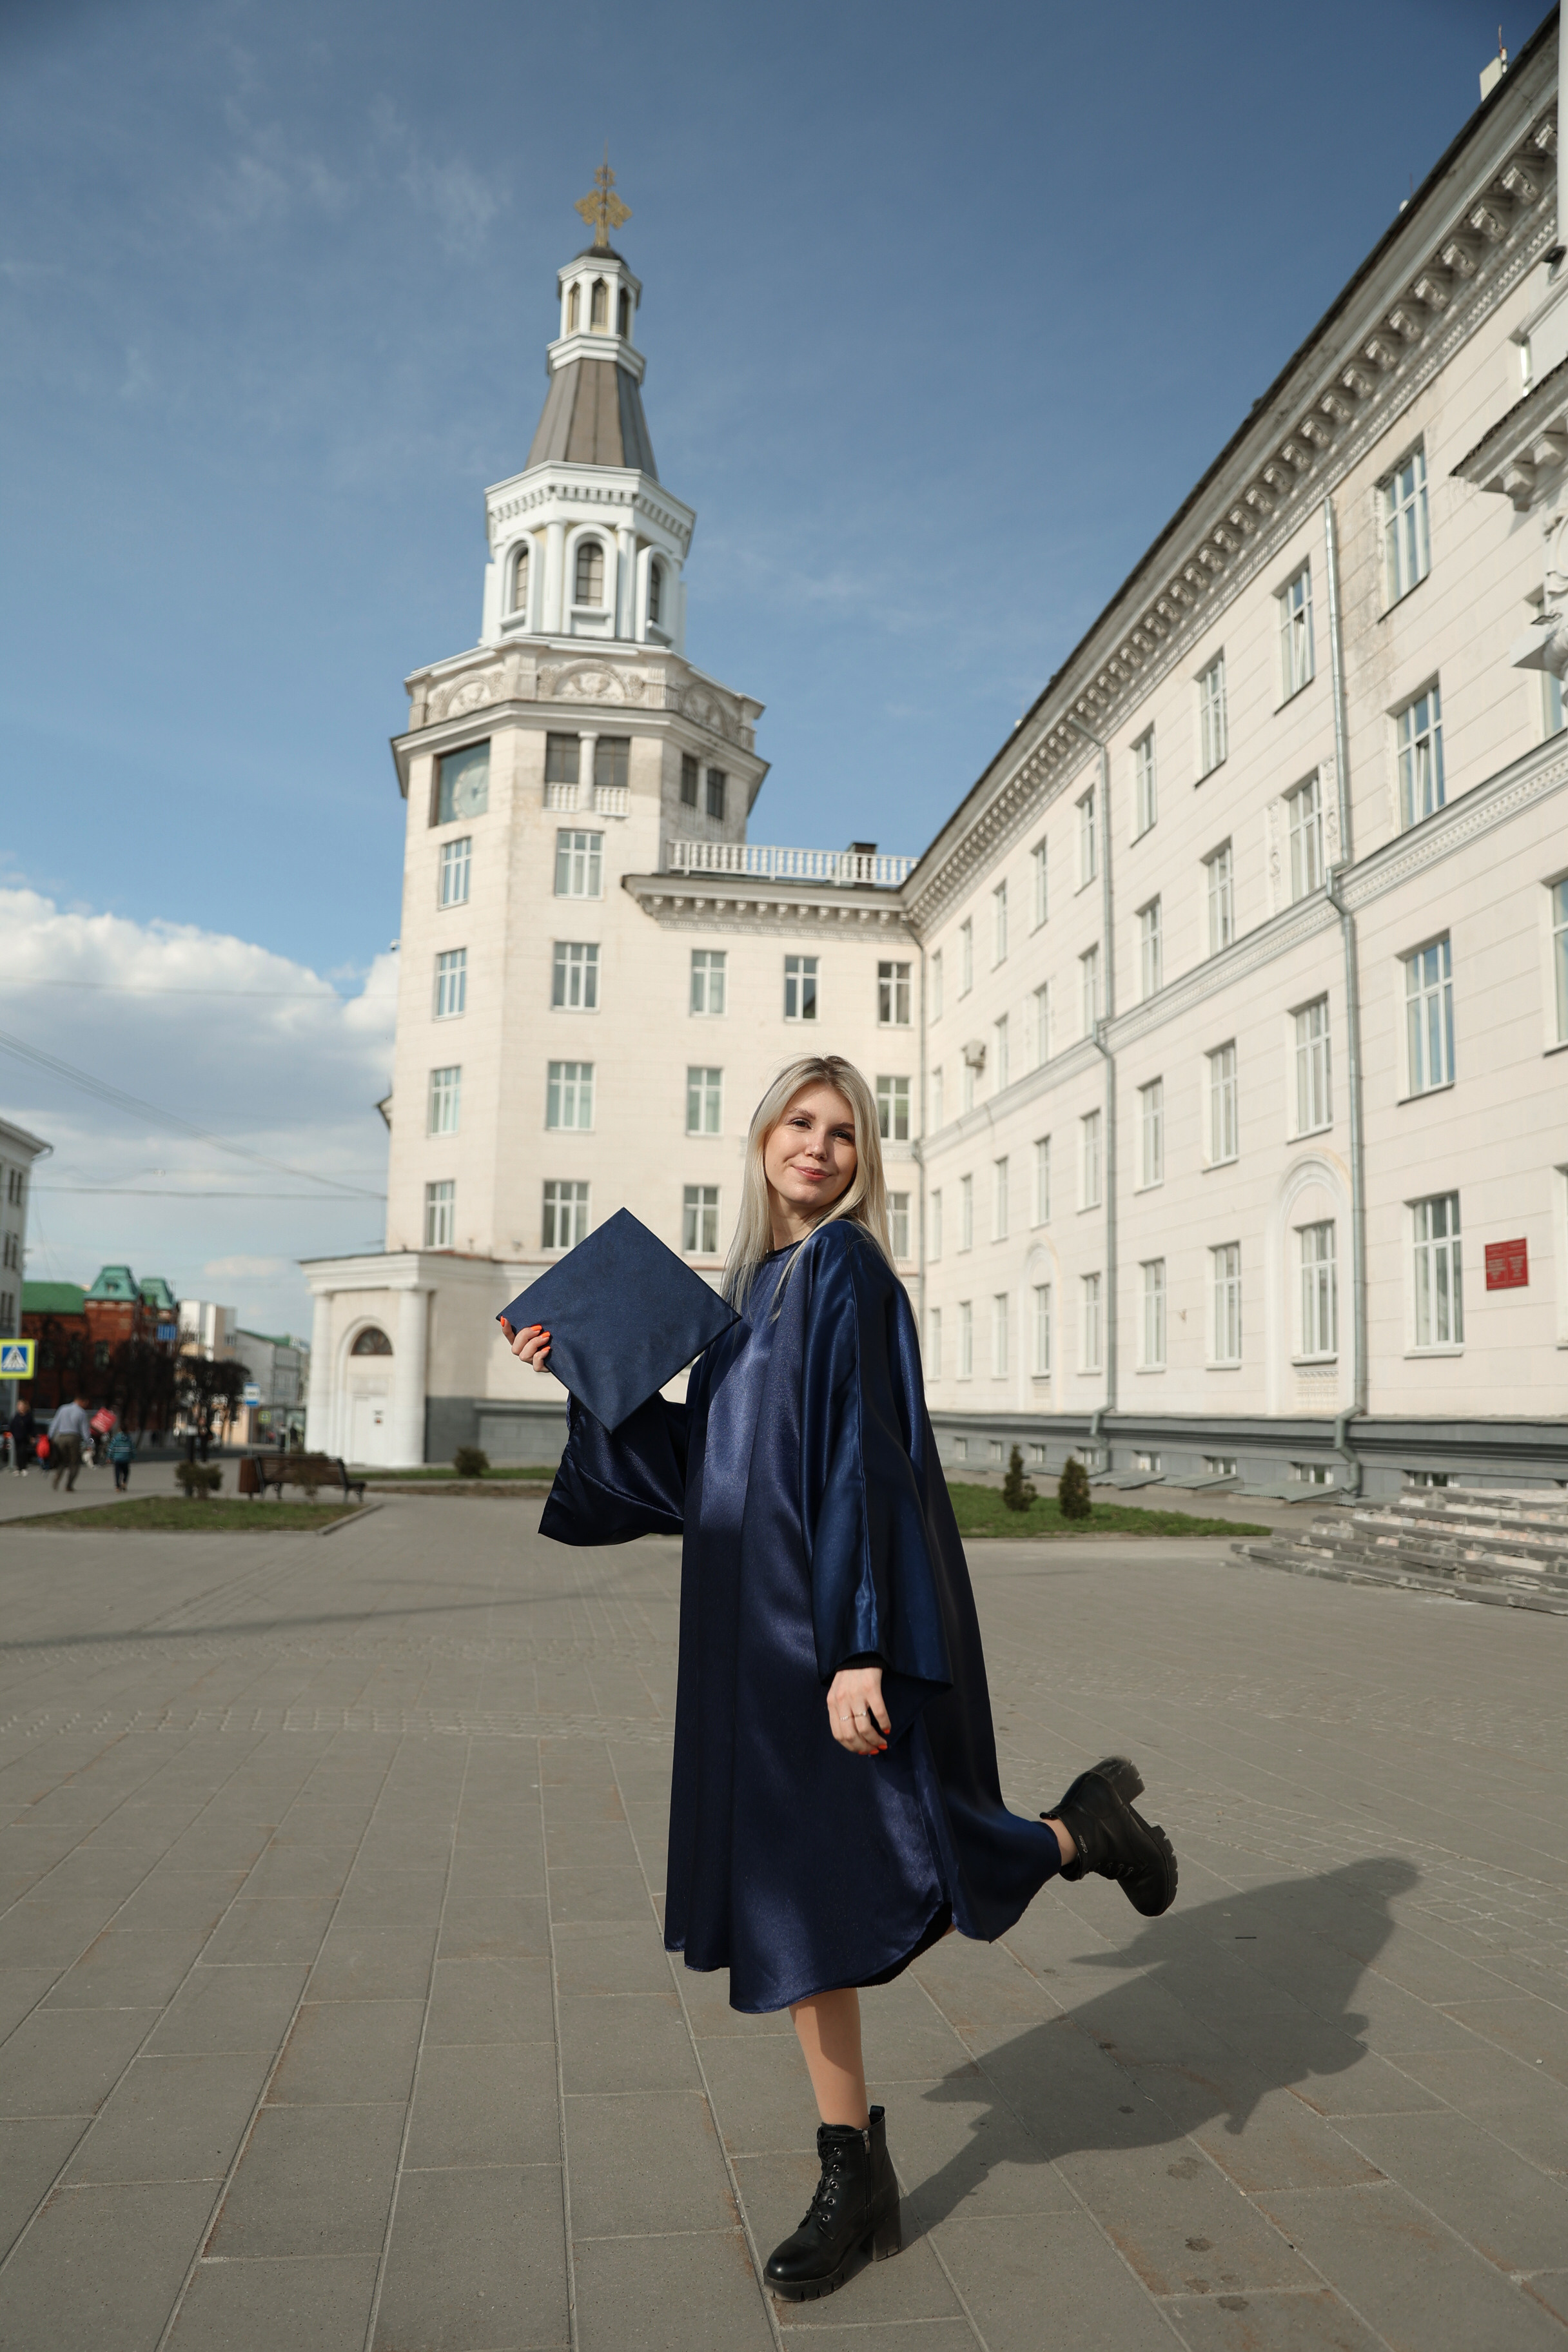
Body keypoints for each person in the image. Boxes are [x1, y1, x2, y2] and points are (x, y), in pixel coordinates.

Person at [507, 1054, 1178, 2304]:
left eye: (844, 1133)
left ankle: (1079, 1836)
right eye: (800, 1125)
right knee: (797, 1897)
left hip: (822, 1639)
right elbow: (695, 1473)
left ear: (863, 1160)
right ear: (762, 1138)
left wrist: (857, 1643)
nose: (819, 1147)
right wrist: (579, 1375)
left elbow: (866, 1462)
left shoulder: (846, 1273)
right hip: (746, 1645)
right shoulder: (753, 1287)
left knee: (899, 1852)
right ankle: (848, 2160)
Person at [47, 1392, 94, 1491]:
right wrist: (89, 1443)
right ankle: (69, 1485)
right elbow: (85, 1431)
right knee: (74, 1462)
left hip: (61, 1437)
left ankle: (57, 1477)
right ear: (81, 1401)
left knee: (62, 1461)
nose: (86, 1405)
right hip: (74, 1438)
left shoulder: (62, 1409)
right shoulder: (81, 1413)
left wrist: (50, 1437)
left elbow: (55, 1424)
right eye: (85, 1403)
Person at [5, 1399, 37, 1474]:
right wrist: (11, 1433)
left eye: (21, 1405)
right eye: (19, 1406)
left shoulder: (28, 1416)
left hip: (25, 1437)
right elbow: (12, 1425)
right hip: (17, 1437)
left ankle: (23, 1467)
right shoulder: (16, 1416)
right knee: (18, 1452)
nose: (19, 1407)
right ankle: (19, 1467)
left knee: (23, 1451)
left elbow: (32, 1427)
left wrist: (33, 1436)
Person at [107, 1425, 134, 1492]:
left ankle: (117, 1487)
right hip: (126, 1459)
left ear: (119, 1430)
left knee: (117, 1473)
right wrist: (133, 1457)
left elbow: (111, 1448)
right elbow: (132, 1449)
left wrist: (109, 1457)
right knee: (126, 1472)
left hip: (117, 1459)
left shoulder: (116, 1438)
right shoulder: (129, 1438)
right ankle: (124, 1483)